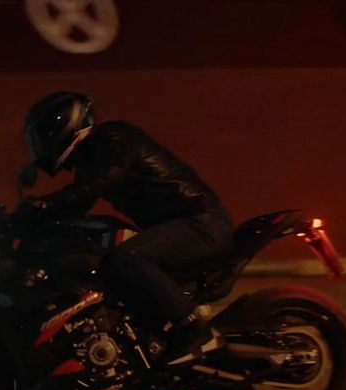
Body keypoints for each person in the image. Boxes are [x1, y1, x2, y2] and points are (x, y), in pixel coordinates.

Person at [23, 90, 233, 365]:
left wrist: (42, 205)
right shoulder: (90, 160)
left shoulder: (112, 139)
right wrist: (25, 220)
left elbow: (92, 187)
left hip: (201, 223)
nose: (40, 148)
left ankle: (195, 329)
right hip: (181, 225)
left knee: (127, 257)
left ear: (62, 128)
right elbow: (75, 204)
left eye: (42, 139)